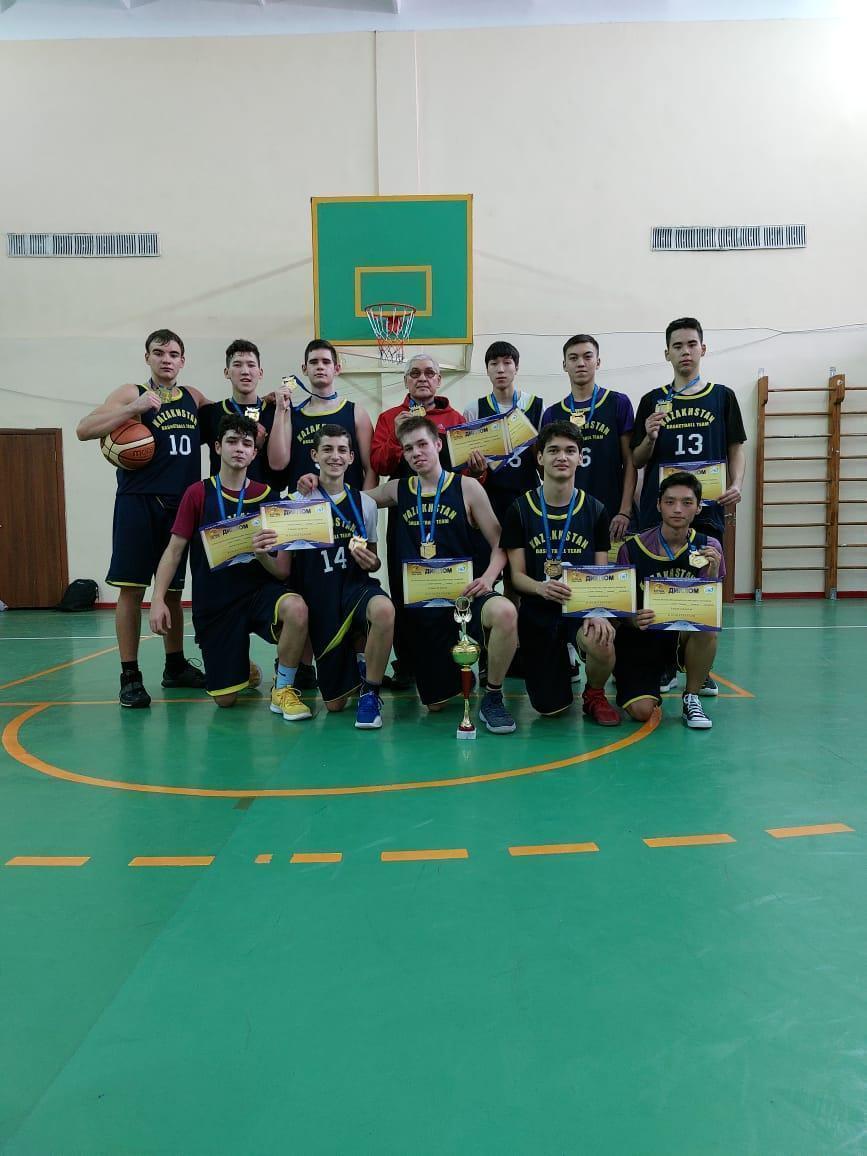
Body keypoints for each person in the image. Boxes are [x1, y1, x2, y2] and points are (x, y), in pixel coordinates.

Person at [76, 328, 209, 709]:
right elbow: (84, 429)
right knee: (132, 589)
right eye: (159, 352)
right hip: (137, 503)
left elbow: (230, 420)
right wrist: (130, 410)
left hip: (181, 506)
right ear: (147, 357)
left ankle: (175, 665)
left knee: (173, 592)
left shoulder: (193, 398)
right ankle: (130, 676)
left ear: (182, 360)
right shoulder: (130, 392)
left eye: (173, 354)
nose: (167, 359)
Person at [148, 414, 311, 719]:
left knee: (297, 608)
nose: (239, 448)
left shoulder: (268, 497)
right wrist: (157, 599)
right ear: (217, 447)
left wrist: (262, 555)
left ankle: (283, 689)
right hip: (216, 603)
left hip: (259, 594)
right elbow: (173, 551)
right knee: (225, 700)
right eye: (232, 441)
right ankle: (242, 667)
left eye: (246, 444)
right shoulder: (197, 493)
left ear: (254, 453)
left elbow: (282, 572)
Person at [366, 415, 518, 733]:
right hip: (424, 608)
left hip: (465, 597)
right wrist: (313, 488)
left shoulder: (467, 487)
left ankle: (493, 696)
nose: (416, 453)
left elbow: (500, 543)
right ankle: (454, 672)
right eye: (408, 448)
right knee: (436, 704)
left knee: (505, 612)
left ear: (438, 445)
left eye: (422, 444)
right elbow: (352, 500)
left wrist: (488, 578)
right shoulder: (398, 489)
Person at [631, 316, 746, 694]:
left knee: (702, 586)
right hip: (660, 512)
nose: (685, 351)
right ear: (667, 353)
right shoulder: (652, 400)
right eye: (677, 346)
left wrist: (737, 484)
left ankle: (699, 666)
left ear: (703, 349)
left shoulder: (723, 396)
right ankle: (664, 663)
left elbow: (735, 448)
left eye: (691, 344)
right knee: (659, 587)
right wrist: (649, 436)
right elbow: (637, 459)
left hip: (705, 509)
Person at [500, 421, 620, 725]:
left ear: (580, 457)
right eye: (553, 450)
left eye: (570, 450)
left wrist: (597, 611)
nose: (562, 457)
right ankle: (559, 664)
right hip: (538, 609)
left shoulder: (595, 510)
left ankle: (594, 693)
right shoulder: (519, 509)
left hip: (580, 607)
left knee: (602, 640)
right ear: (540, 457)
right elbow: (517, 576)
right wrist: (540, 588)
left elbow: (600, 571)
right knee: (550, 709)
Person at [289, 425, 395, 729]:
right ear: (314, 455)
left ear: (351, 458)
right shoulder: (296, 501)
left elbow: (373, 560)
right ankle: (355, 668)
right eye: (327, 449)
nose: (334, 456)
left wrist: (372, 562)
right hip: (320, 597)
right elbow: (287, 565)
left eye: (341, 450)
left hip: (356, 588)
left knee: (384, 610)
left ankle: (370, 693)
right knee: (334, 705)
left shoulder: (366, 504)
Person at [370, 354, 466, 690]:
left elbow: (465, 472)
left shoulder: (455, 418)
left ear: (439, 380)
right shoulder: (389, 418)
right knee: (403, 586)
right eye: (414, 373)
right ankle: (407, 663)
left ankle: (455, 658)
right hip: (406, 515)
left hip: (448, 517)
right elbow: (380, 463)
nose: (422, 378)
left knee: (451, 585)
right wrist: (398, 437)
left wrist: (478, 467)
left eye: (429, 373)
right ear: (406, 381)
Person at [613, 471, 725, 730]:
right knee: (641, 712)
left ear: (698, 507)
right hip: (641, 636)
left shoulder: (709, 547)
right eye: (670, 502)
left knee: (706, 628)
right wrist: (632, 619)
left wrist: (711, 575)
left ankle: (692, 696)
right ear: (658, 505)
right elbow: (619, 609)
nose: (677, 509)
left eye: (687, 502)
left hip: (679, 634)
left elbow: (709, 610)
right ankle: (639, 679)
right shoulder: (632, 548)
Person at [540, 334, 637, 543]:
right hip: (569, 512)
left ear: (598, 362)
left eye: (587, 356)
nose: (581, 363)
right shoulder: (553, 413)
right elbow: (547, 471)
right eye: (573, 358)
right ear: (564, 365)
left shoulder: (618, 403)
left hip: (612, 512)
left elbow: (630, 462)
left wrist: (625, 510)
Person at [274, 339, 375, 493]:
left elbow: (371, 469)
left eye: (326, 362)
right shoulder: (291, 414)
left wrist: (364, 503)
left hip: (347, 504)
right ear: (304, 369)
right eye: (314, 362)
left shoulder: (356, 412)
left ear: (337, 368)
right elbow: (277, 464)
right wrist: (279, 410)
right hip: (304, 504)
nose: (320, 366)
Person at [198, 339, 292, 485]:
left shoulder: (276, 410)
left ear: (260, 373)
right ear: (226, 372)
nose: (245, 371)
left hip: (266, 495)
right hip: (221, 495)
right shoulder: (212, 413)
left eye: (251, 365)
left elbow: (280, 464)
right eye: (237, 365)